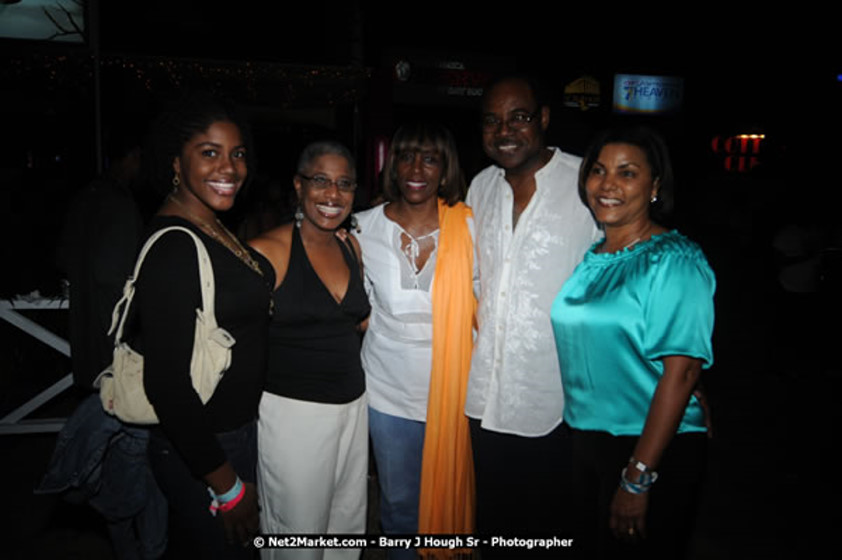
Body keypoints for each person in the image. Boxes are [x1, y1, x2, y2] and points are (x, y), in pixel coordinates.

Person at [550, 126, 715, 558]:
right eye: (599, 170)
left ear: (655, 186)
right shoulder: (593, 257)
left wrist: (638, 476)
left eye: (627, 173)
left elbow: (683, 372)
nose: (608, 184)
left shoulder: (673, 259)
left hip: (650, 445)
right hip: (587, 438)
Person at [137, 95, 274, 558]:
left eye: (238, 153)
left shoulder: (211, 225)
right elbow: (167, 386)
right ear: (176, 163)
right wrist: (227, 486)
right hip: (207, 448)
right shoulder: (173, 247)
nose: (229, 168)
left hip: (235, 434)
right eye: (210, 152)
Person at [464, 75, 600, 542]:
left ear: (543, 118)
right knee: (495, 528)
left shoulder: (586, 184)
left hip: (559, 403)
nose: (504, 131)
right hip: (485, 398)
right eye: (492, 120)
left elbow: (622, 278)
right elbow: (476, 282)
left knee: (552, 532)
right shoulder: (480, 187)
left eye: (518, 117)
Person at [355, 123, 476, 558]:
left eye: (429, 158)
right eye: (406, 156)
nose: (416, 169)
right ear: (393, 166)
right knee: (400, 507)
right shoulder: (363, 228)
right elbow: (356, 309)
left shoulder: (471, 227)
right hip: (388, 393)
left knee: (451, 506)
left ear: (445, 169)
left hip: (457, 391)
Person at [250, 141, 370, 560]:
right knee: (297, 538)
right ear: (298, 186)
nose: (333, 194)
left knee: (345, 530)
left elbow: (356, 319)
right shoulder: (269, 251)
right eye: (321, 180)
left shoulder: (350, 247)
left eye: (344, 184)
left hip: (353, 407)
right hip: (294, 414)